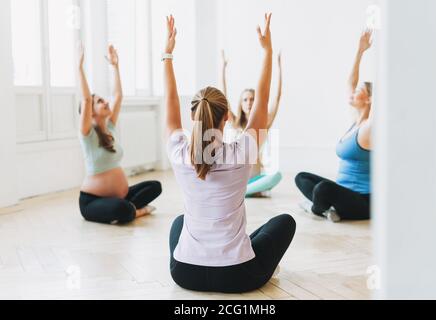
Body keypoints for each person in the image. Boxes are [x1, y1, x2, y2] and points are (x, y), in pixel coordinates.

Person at [164, 14, 296, 293]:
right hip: (238, 276)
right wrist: (268, 52)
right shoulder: (243, 151)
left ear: (193, 115)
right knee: (284, 222)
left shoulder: (178, 153)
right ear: (227, 118)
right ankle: (246, 257)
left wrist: (168, 54)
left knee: (179, 222)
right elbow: (262, 101)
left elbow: (170, 104)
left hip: (185, 273)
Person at [77, 44, 162, 225]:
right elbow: (85, 100)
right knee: (121, 209)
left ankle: (129, 209)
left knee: (155, 186)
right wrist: (80, 68)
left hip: (121, 195)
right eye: (99, 101)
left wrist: (115, 67)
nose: (106, 102)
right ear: (90, 112)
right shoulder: (87, 134)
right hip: (92, 201)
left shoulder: (110, 127)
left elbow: (118, 96)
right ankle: (135, 211)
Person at [295, 29, 374, 222]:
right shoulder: (354, 123)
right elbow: (350, 83)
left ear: (371, 98)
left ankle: (317, 209)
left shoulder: (370, 128)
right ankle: (327, 208)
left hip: (364, 202)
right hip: (343, 193)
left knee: (323, 189)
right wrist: (360, 51)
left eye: (359, 91)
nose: (353, 92)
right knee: (301, 177)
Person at [221, 49, 283, 197]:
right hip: (236, 176)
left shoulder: (264, 123)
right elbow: (224, 97)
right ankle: (240, 191)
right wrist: (223, 69)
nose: (249, 102)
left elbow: (276, 98)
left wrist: (279, 69)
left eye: (252, 99)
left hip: (254, 178)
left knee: (276, 176)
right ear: (241, 104)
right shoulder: (235, 122)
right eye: (245, 99)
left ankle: (243, 192)